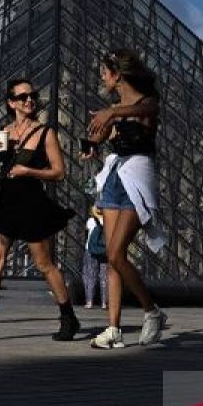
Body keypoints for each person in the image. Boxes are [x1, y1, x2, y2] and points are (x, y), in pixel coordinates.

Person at [0, 79, 75, 342]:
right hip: (3, 201)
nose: (29, 100)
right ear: (11, 103)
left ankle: (69, 317)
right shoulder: (2, 132)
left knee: (44, 265)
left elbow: (59, 172)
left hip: (30, 201)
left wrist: (28, 170)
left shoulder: (45, 133)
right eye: (23, 97)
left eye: (32, 95)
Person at [83, 50, 169, 349]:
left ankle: (152, 311)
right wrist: (91, 144)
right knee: (111, 258)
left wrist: (113, 113)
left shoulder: (148, 102)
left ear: (118, 74)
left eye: (104, 72)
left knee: (117, 254)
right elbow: (99, 134)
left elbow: (145, 111)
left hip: (137, 179)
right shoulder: (114, 108)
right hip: (115, 179)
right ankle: (113, 329)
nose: (101, 77)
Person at [82, 207, 109, 310]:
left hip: (91, 250)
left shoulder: (91, 221)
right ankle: (104, 303)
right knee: (104, 277)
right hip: (105, 250)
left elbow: (87, 231)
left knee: (90, 275)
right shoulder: (109, 220)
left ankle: (89, 301)